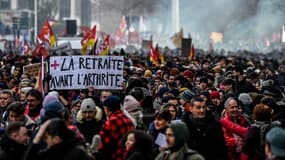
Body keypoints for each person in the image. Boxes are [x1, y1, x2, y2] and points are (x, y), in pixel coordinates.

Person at [23, 118, 92, 160]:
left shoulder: (76, 154)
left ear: (56, 139)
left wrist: (37, 139)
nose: (45, 140)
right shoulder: (53, 151)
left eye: (46, 138)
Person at [99, 95, 134, 160]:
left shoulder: (111, 122)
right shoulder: (128, 119)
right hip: (128, 155)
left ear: (107, 109)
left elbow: (103, 144)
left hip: (117, 156)